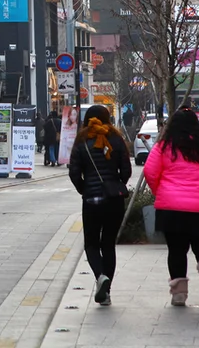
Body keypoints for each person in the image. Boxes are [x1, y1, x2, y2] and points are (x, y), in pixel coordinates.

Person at [144, 109, 199, 307]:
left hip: (171, 207)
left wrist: (161, 191)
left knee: (176, 250)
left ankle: (179, 294)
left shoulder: (163, 146)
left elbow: (150, 171)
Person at [67, 105, 132, 306]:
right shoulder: (117, 138)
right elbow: (126, 170)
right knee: (108, 244)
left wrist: (84, 188)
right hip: (114, 200)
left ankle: (100, 277)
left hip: (92, 201)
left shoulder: (81, 141)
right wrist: (116, 181)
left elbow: (74, 173)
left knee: (92, 244)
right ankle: (107, 290)